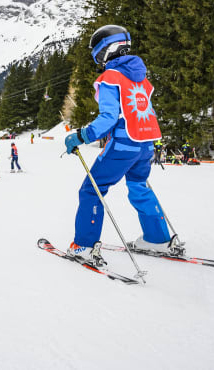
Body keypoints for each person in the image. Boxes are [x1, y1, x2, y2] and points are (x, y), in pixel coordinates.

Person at [64, 24, 182, 265]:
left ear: (108, 50)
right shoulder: (142, 79)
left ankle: (84, 246)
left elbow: (108, 118)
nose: (99, 61)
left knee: (91, 190)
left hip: (123, 144)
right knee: (139, 186)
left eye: (98, 55)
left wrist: (81, 135)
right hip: (146, 145)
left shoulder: (110, 77)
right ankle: (157, 238)